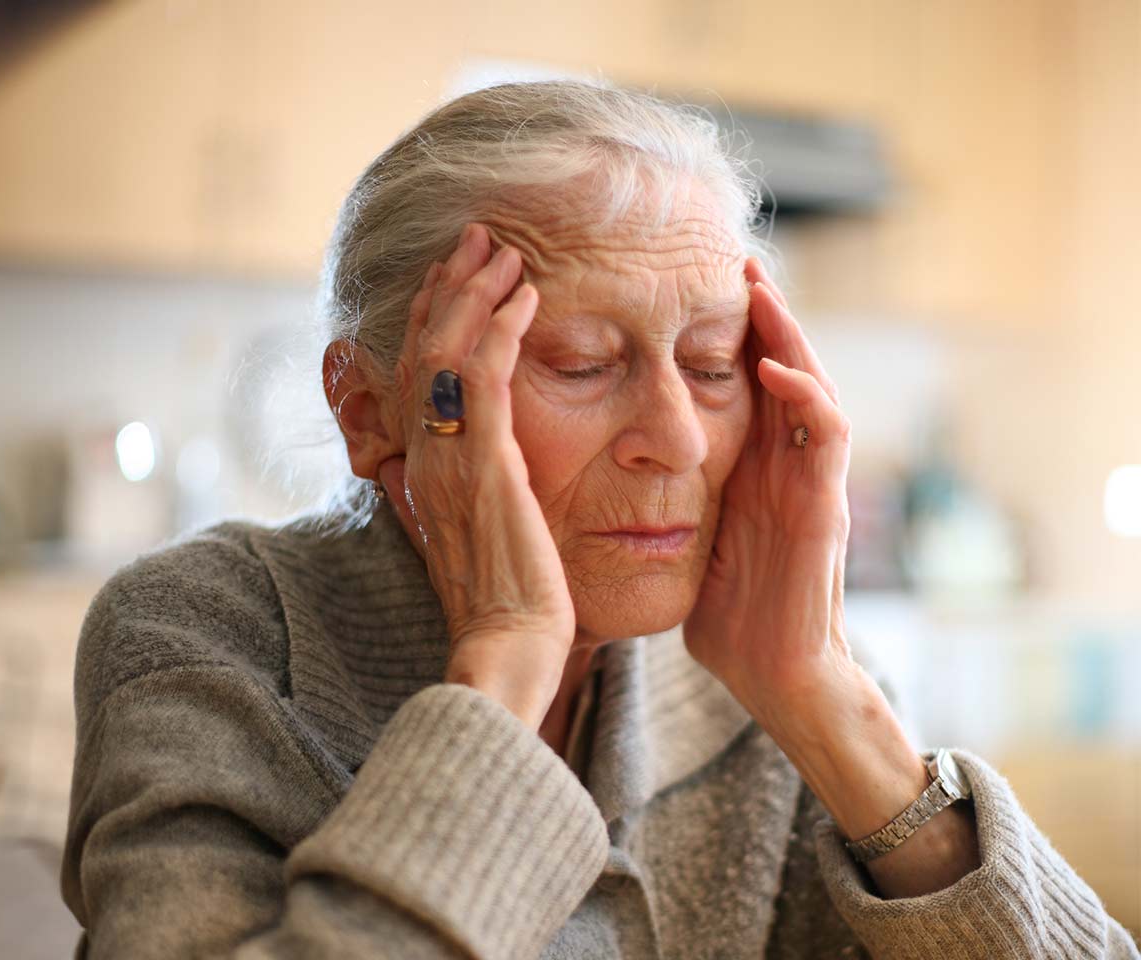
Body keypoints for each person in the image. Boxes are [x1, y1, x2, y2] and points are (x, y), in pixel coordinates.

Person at [59, 80, 1140, 959]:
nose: (673, 436)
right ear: (368, 409)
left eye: (714, 365)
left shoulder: (751, 689)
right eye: (580, 362)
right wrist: (504, 667)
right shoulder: (209, 631)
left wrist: (827, 703)